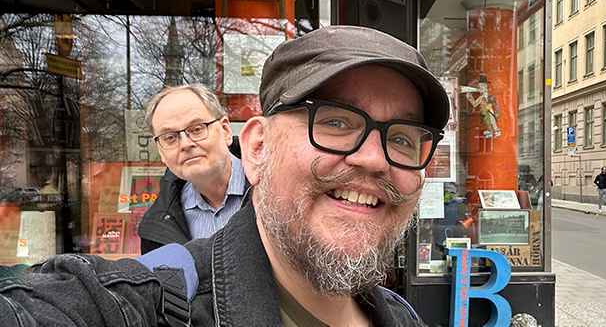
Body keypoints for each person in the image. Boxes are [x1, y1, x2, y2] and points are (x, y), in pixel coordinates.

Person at [0, 26, 450, 327]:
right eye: (334, 121)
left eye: (403, 138)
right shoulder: (149, 300)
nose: (374, 159)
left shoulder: (401, 316)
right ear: (257, 150)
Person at [138, 83, 248, 253]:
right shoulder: (156, 229)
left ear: (225, 130)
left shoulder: (277, 189)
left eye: (197, 129)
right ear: (160, 151)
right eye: (170, 137)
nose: (185, 144)